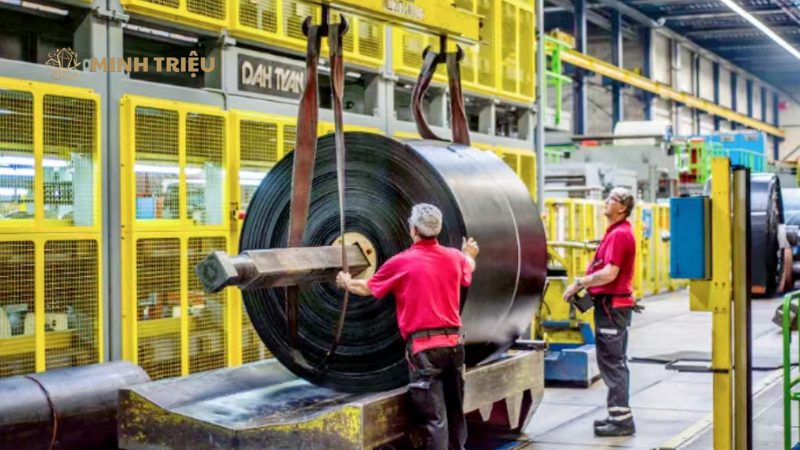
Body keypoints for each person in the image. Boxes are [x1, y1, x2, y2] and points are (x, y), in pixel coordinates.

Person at [336, 203, 479, 450]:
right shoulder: (454, 258)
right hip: (455, 346)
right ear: (438, 229)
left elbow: (367, 287)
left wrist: (347, 282)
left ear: (413, 230)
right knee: (455, 413)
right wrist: (468, 254)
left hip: (425, 352)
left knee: (434, 421)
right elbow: (469, 266)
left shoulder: (401, 262)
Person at [562, 187, 637, 437]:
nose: (606, 201)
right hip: (610, 306)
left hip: (611, 307)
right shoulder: (615, 233)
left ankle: (622, 422)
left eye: (612, 199)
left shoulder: (620, 234)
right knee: (611, 361)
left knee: (613, 363)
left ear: (622, 207)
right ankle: (618, 416)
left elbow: (609, 274)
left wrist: (579, 283)